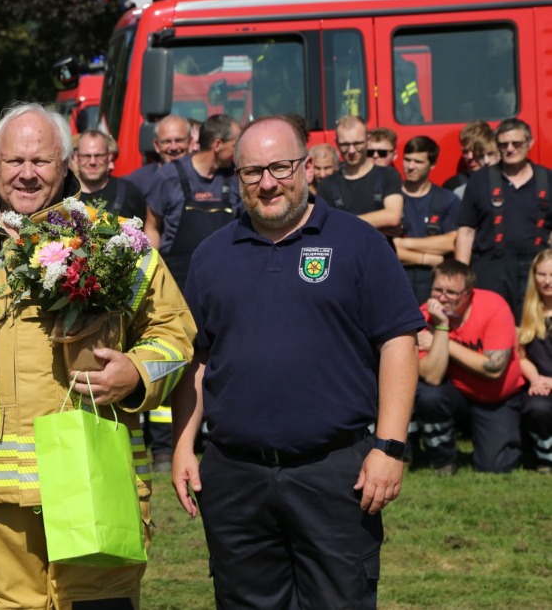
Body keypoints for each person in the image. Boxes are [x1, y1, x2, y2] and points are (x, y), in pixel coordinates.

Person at [0, 102, 195, 609]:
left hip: (93, 480)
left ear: (67, 165)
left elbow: (176, 336)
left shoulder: (118, 241)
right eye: (14, 160)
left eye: (41, 161)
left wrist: (136, 372)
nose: (26, 174)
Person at [172, 115, 421, 609]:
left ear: (307, 167)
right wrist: (182, 446)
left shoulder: (358, 243)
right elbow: (195, 358)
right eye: (252, 172)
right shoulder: (210, 255)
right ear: (236, 176)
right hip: (235, 477)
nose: (268, 183)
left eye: (281, 167)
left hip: (334, 473)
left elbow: (398, 341)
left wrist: (389, 448)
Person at [416, 260, 525, 474]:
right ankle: (443, 461)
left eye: (451, 292)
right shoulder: (425, 316)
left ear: (468, 293)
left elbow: (493, 368)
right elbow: (432, 376)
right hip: (459, 394)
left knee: (495, 466)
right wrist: (442, 325)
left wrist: (443, 341)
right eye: (437, 290)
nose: (442, 297)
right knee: (428, 395)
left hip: (497, 399)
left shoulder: (494, 306)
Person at [455, 117, 552, 322]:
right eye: (504, 145)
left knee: (534, 333)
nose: (510, 149)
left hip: (536, 272)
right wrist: (460, 276)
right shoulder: (480, 180)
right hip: (491, 269)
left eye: (516, 143)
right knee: (493, 327)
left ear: (529, 143)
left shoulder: (548, 179)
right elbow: (466, 231)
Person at [145, 113, 242, 290]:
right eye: (235, 145)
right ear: (218, 145)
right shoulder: (168, 176)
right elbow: (152, 227)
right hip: (176, 280)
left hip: (225, 278)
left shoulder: (236, 177)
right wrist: (150, 276)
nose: (238, 152)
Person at [392, 136, 461, 303]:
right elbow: (385, 250)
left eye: (418, 162)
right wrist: (429, 258)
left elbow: (451, 243)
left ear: (432, 165)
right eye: (407, 160)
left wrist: (403, 244)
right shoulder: (391, 198)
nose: (410, 166)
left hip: (434, 289)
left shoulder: (447, 200)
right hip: (397, 282)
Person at [317, 115, 404, 236]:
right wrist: (379, 224)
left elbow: (393, 217)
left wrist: (343, 224)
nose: (352, 150)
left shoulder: (388, 176)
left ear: (368, 140)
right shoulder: (326, 185)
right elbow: (327, 228)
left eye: (357, 143)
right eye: (345, 145)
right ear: (336, 142)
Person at [507, 250, 552, 474]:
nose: (547, 281)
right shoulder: (524, 311)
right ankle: (546, 457)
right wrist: (536, 379)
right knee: (538, 407)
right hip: (538, 382)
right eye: (542, 274)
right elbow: (519, 354)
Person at [75, 128, 146, 220]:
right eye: (86, 156)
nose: (92, 162)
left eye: (98, 156)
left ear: (109, 157)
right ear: (76, 157)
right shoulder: (63, 193)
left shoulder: (129, 192)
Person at [125, 114, 191, 197]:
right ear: (156, 146)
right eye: (167, 141)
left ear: (190, 142)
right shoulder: (139, 180)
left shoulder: (203, 175)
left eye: (179, 140)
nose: (173, 147)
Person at [443, 121, 495, 196]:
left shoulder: (506, 179)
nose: (470, 157)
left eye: (474, 151)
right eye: (465, 152)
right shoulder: (452, 186)